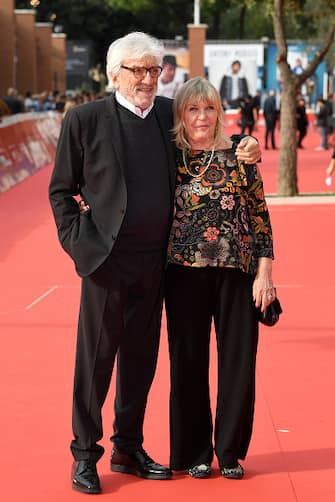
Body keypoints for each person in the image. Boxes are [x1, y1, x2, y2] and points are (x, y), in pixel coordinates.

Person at [48, 31, 262, 495]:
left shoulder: (167, 116)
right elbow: (61, 191)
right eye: (138, 70)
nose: (148, 78)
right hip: (105, 263)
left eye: (154, 68)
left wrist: (246, 142)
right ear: (115, 73)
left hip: (155, 264)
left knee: (141, 362)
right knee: (96, 363)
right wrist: (80, 245)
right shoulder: (83, 120)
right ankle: (85, 454)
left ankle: (128, 446)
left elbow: (207, 137)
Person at [165, 77, 275, 480]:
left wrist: (266, 272)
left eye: (208, 108)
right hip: (182, 275)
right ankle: (194, 450)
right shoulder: (170, 156)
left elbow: (260, 217)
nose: (201, 116)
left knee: (238, 363)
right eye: (192, 108)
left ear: (219, 111)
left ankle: (229, 451)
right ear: (181, 113)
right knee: (188, 363)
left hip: (238, 274)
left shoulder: (240, 156)